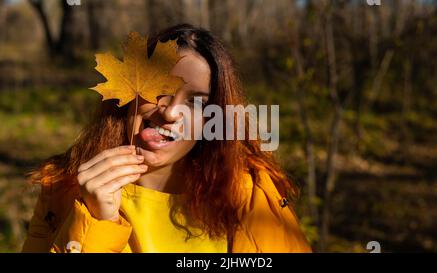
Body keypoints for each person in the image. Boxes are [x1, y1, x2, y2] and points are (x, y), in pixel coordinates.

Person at [21, 24, 311, 253]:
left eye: (196, 102)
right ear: (129, 91)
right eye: (161, 89)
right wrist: (95, 221)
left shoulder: (248, 192)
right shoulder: (63, 187)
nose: (171, 112)